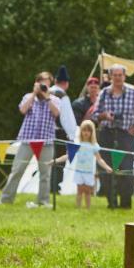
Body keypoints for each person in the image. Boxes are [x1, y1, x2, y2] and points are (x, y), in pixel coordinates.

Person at [0, 72, 61, 208]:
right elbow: (23, 110)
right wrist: (33, 94)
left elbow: (56, 113)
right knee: (17, 170)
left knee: (45, 174)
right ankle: (6, 199)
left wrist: (47, 97)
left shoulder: (54, 99)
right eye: (41, 81)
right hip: (27, 140)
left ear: (50, 84)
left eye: (46, 81)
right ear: (36, 83)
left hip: (46, 141)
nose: (44, 84)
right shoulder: (28, 97)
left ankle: (43, 201)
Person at [95, 64, 134, 209]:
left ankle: (125, 203)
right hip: (107, 134)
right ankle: (111, 202)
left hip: (125, 135)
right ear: (110, 77)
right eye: (114, 75)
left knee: (126, 169)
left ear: (124, 76)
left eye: (120, 75)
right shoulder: (104, 93)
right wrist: (104, 116)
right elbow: (94, 114)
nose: (117, 78)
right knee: (107, 170)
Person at [53, 119, 112, 209]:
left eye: (88, 130)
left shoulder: (94, 145)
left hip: (88, 172)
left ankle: (87, 208)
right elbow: (68, 156)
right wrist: (56, 160)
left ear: (92, 132)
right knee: (79, 190)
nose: (86, 133)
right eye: (84, 130)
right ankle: (78, 207)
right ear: (81, 131)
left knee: (88, 191)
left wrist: (107, 167)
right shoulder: (77, 143)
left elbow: (99, 159)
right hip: (79, 171)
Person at [50, 64, 78, 194]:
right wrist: (71, 135)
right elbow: (66, 118)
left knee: (48, 159)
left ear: (55, 80)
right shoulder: (61, 95)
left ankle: (48, 186)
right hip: (59, 133)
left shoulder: (46, 92)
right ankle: (55, 187)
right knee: (58, 161)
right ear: (66, 83)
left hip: (45, 132)